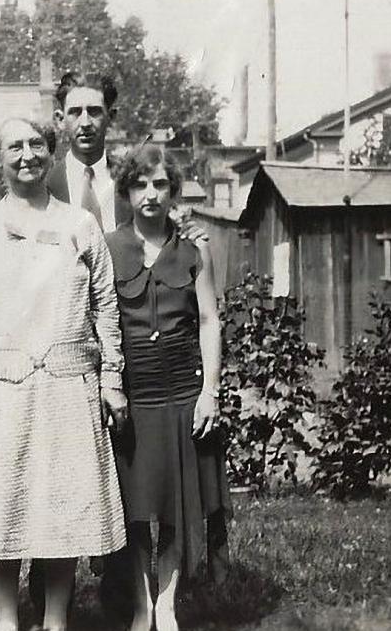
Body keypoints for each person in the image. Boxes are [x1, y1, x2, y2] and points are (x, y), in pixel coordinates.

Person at [0, 117, 129, 631]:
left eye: (37, 144)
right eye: (14, 147)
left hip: (67, 385)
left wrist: (112, 380)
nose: (27, 155)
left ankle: (55, 617)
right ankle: (4, 616)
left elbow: (105, 306)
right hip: (1, 388)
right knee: (2, 498)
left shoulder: (79, 225)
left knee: (61, 502)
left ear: (51, 153)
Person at [105, 145, 232, 631]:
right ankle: (141, 606)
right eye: (141, 184)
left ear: (174, 191)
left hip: (183, 393)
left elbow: (209, 320)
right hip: (132, 400)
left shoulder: (195, 250)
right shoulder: (108, 248)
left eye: (160, 185)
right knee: (137, 511)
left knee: (178, 506)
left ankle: (167, 604)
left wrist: (209, 391)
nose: (151, 194)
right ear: (127, 191)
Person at [46, 72, 130, 232]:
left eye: (94, 111)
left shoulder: (133, 181)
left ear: (111, 117)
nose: (85, 123)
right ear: (60, 120)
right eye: (75, 112)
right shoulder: (45, 187)